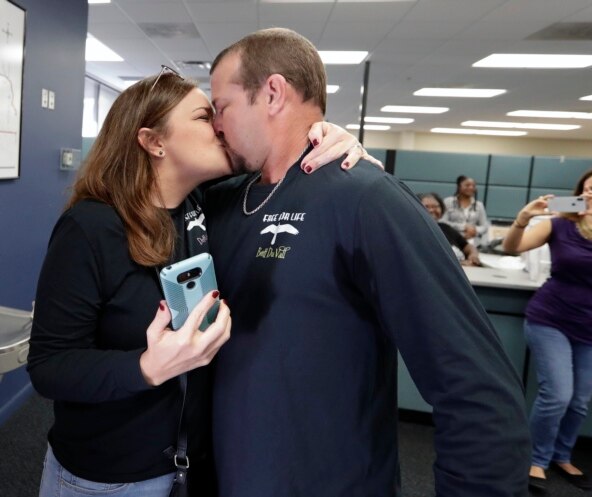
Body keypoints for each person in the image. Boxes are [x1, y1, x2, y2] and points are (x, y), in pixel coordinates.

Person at [206, 27, 530, 497]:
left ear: (273, 93)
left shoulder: (367, 199)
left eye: (221, 107)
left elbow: (474, 388)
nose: (216, 125)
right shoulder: (221, 202)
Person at [26, 67, 374, 497]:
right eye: (203, 118)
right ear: (154, 142)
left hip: (192, 472)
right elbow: (48, 367)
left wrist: (330, 136)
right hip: (108, 479)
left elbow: (282, 158)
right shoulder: (90, 228)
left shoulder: (206, 203)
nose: (222, 127)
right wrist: (146, 368)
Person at [502, 163, 592, 493]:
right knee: (557, 395)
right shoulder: (560, 222)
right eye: (590, 188)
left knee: (579, 400)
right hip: (550, 317)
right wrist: (524, 217)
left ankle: (561, 455)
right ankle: (536, 460)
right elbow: (513, 247)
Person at [418, 192, 481, 266]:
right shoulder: (416, 232)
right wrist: (460, 264)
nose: (432, 210)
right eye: (426, 207)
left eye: (436, 206)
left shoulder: (445, 228)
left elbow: (467, 246)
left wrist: (473, 255)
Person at [442, 175, 490, 247]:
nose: (471, 188)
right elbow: (442, 222)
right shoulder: (448, 202)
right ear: (459, 187)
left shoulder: (479, 205)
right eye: (467, 185)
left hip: (474, 243)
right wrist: (464, 227)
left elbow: (484, 226)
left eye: (473, 186)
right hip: (452, 241)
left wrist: (474, 230)